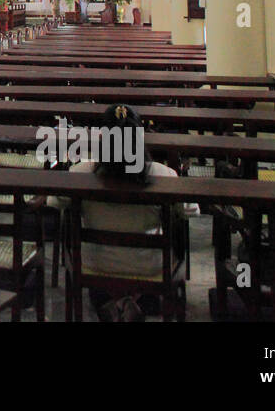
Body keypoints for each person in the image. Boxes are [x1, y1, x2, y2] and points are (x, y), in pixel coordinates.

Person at [51, 104, 198, 322]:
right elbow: (190, 210)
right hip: (149, 264)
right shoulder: (163, 174)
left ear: (102, 139)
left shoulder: (81, 172)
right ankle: (132, 299)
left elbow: (55, 201)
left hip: (94, 262)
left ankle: (117, 301)